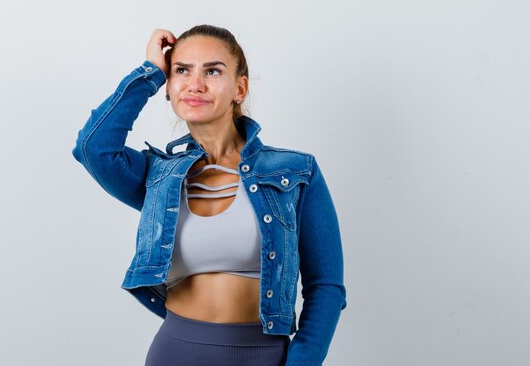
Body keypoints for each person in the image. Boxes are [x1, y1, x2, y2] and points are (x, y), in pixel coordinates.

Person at [72, 25, 347, 366]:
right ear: (169, 88)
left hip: (262, 356)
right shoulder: (159, 177)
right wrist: (150, 73)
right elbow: (93, 148)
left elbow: (326, 287)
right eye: (181, 71)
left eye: (213, 71)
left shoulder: (295, 172)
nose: (195, 84)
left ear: (240, 88)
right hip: (174, 352)